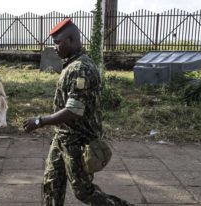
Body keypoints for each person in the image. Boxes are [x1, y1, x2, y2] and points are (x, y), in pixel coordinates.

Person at [23, 18, 134, 206]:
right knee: (52, 183)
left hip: (78, 140)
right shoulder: (72, 64)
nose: (55, 47)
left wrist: (40, 121)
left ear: (72, 40)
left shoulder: (81, 68)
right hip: (63, 136)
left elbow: (74, 110)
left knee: (83, 191)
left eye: (58, 42)